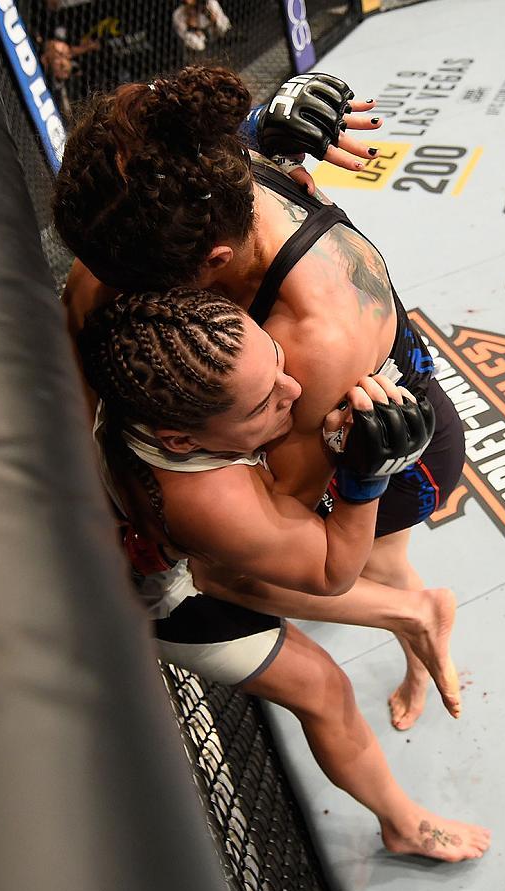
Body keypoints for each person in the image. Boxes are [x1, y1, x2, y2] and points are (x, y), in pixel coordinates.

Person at [53, 66, 467, 733]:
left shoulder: (314, 341)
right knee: (375, 569)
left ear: (214, 263)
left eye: (141, 287)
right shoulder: (197, 172)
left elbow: (289, 526)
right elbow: (85, 313)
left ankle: (420, 633)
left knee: (252, 570)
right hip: (346, 402)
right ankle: (419, 619)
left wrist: (158, 512)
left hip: (391, 451)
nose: (113, 292)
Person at [79, 286, 490, 862]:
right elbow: (330, 571)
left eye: (276, 358)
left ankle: (416, 613)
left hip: (168, 542)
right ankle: (402, 823)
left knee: (291, 559)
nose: (293, 390)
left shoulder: (155, 351)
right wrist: (365, 476)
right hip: (167, 596)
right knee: (322, 689)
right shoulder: (209, 501)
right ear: (181, 441)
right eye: (260, 405)